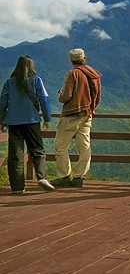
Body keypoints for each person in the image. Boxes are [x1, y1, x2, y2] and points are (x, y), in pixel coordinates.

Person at [0, 56, 55, 194]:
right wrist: (47, 119)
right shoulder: (36, 81)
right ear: (31, 66)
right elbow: (44, 99)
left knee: (16, 155)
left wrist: (2, 121)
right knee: (37, 150)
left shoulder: (9, 82)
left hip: (14, 123)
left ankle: (17, 187)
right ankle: (41, 177)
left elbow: (2, 103)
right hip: (32, 121)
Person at [52, 48, 102, 189]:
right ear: (84, 57)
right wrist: (92, 109)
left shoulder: (73, 74)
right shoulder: (94, 74)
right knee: (84, 146)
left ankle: (64, 177)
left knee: (60, 145)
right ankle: (79, 177)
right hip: (87, 115)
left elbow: (66, 96)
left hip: (71, 115)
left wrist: (60, 94)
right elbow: (97, 97)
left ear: (71, 60)